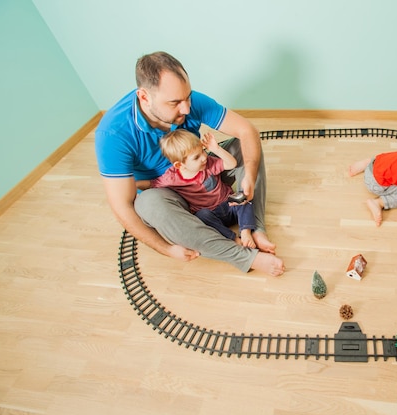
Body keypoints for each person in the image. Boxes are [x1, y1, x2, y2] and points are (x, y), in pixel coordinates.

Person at [95, 51, 285, 276]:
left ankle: (255, 228)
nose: (186, 109)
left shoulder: (189, 103)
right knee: (147, 204)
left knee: (244, 148)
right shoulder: (113, 133)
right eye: (175, 103)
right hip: (167, 194)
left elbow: (246, 130)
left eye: (188, 97)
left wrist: (250, 176)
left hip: (202, 173)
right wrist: (166, 249)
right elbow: (122, 206)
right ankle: (243, 256)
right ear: (144, 97)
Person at [136, 129, 258, 249]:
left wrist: (216, 149)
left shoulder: (208, 163)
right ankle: (233, 239)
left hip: (229, 204)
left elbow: (231, 164)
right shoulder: (172, 177)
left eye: (203, 151)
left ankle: (245, 232)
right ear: (179, 165)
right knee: (201, 216)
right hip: (211, 215)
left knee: (244, 197)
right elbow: (152, 184)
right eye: (196, 157)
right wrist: (134, 184)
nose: (204, 157)